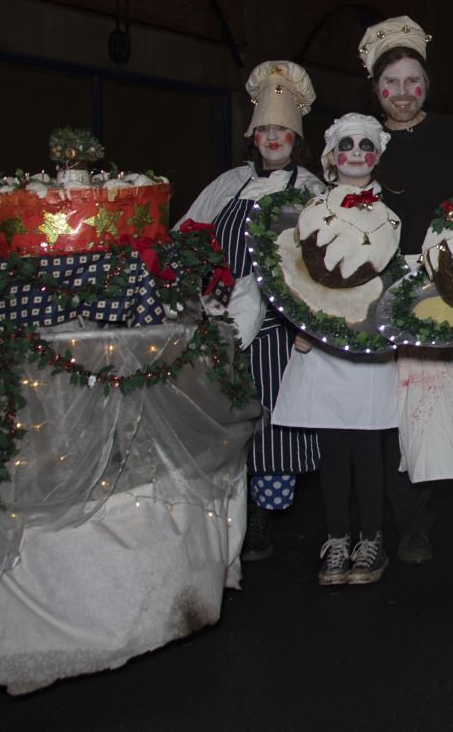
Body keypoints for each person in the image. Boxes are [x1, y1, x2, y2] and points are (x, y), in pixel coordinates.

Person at [358, 17, 453, 564]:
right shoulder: (363, 142)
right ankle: (412, 523)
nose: (402, 93)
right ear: (376, 91)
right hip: (399, 284)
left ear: (427, 86)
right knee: (410, 401)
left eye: (412, 81)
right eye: (390, 84)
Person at [178, 60, 327, 561]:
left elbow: (326, 258)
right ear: (252, 134)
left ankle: (262, 515)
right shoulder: (227, 184)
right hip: (219, 318)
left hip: (279, 329)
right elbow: (186, 238)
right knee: (222, 416)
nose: (272, 137)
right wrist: (203, 289)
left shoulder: (310, 189)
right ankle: (226, 511)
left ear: (296, 135)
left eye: (281, 128)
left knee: (270, 419)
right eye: (264, 128)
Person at [272, 113, 401, 586]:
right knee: (334, 447)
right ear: (331, 155)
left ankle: (371, 539)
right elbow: (289, 272)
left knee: (368, 445)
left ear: (378, 157)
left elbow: (395, 280)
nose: (355, 153)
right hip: (323, 343)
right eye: (346, 145)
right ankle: (336, 537)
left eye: (366, 146)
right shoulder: (309, 209)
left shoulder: (391, 215)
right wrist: (299, 324)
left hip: (369, 342)